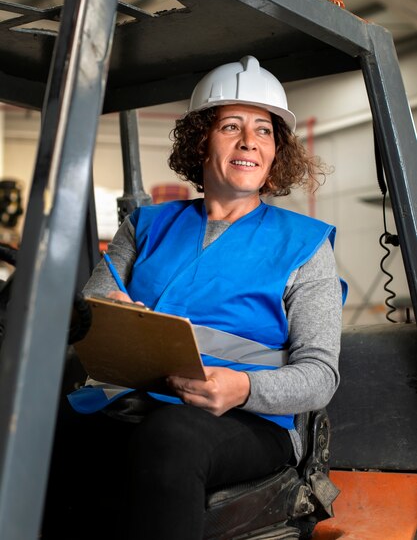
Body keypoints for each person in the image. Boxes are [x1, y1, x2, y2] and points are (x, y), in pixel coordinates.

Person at [42, 55, 346, 540]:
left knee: (171, 439)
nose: (250, 141)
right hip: (136, 399)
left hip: (249, 419)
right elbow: (93, 306)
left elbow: (320, 375)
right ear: (202, 139)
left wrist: (243, 389)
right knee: (35, 426)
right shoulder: (145, 225)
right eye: (231, 126)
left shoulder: (304, 244)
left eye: (264, 130)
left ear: (275, 153)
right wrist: (114, 312)